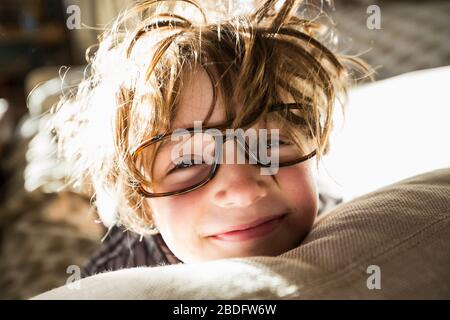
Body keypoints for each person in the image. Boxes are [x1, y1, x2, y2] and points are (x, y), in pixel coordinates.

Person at [48, 0, 371, 276]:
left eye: (270, 144)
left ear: (316, 145)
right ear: (142, 205)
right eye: (187, 162)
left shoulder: (349, 232)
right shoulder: (117, 274)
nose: (243, 192)